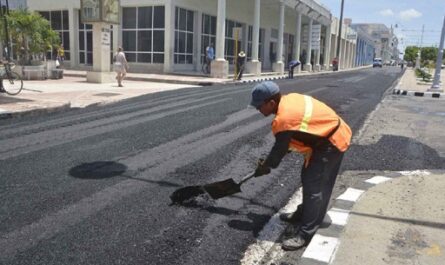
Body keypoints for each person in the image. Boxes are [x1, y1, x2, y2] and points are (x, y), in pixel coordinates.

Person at [250, 81, 352, 251]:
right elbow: (292, 138)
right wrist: (271, 160)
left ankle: (306, 233)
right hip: (324, 137)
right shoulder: (288, 100)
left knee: (315, 186)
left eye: (259, 106)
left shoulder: (283, 119)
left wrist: (266, 166)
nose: (257, 109)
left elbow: (278, 152)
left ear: (271, 103)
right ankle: (303, 213)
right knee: (309, 177)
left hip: (331, 142)